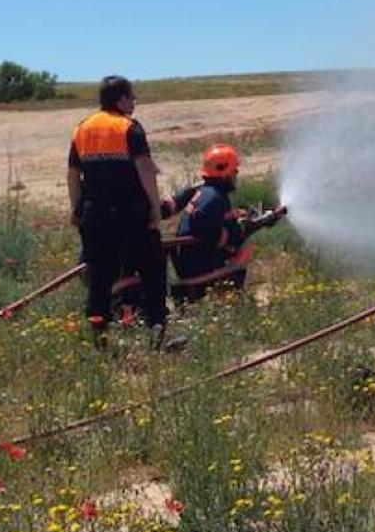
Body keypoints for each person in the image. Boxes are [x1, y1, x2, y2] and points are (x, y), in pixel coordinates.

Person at [67, 76, 170, 348]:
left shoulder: (82, 128)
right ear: (121, 99)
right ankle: (156, 332)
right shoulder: (129, 128)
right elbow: (145, 169)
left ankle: (99, 341)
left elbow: (72, 175)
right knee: (153, 271)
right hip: (130, 215)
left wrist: (77, 209)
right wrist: (155, 209)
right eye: (132, 97)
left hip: (95, 217)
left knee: (99, 280)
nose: (134, 102)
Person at [171, 143, 284, 303]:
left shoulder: (207, 192)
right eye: (233, 171)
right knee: (243, 253)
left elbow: (225, 224)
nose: (236, 174)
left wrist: (256, 221)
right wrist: (228, 236)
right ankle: (233, 302)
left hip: (190, 262)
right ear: (223, 171)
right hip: (199, 267)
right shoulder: (214, 197)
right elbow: (215, 228)